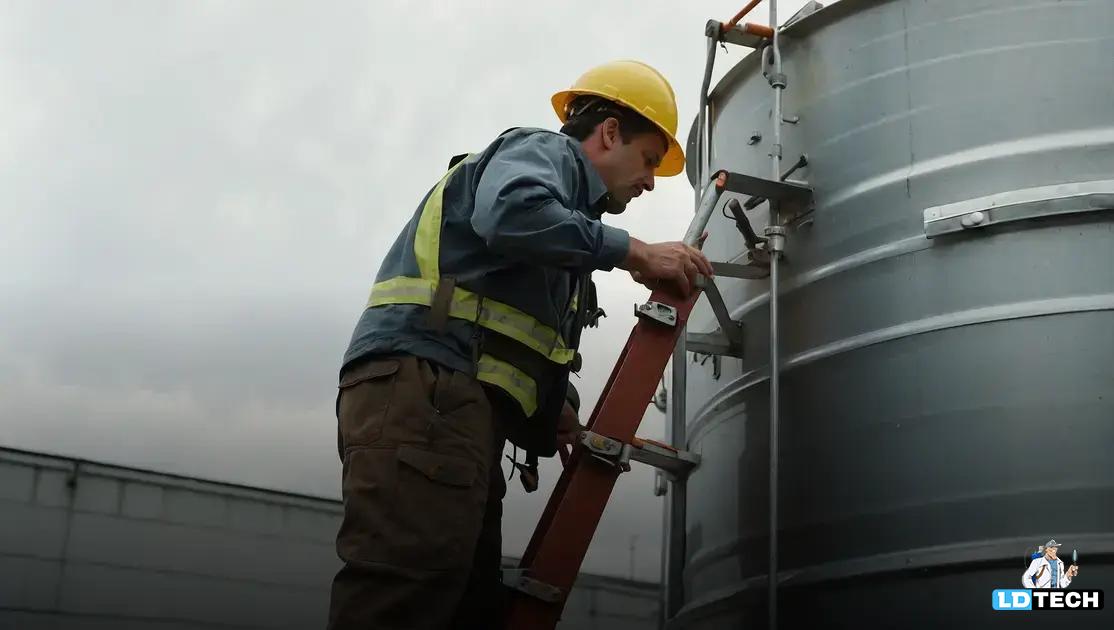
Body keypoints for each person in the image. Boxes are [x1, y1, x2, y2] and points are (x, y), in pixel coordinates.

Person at [327, 60, 713, 630]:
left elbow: (509, 324)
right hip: (429, 390)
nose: (651, 180)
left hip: (447, 400)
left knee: (462, 604)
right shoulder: (542, 154)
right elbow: (510, 213)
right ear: (608, 133)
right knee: (406, 598)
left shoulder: (565, 225)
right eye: (650, 159)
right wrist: (633, 252)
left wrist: (554, 404)